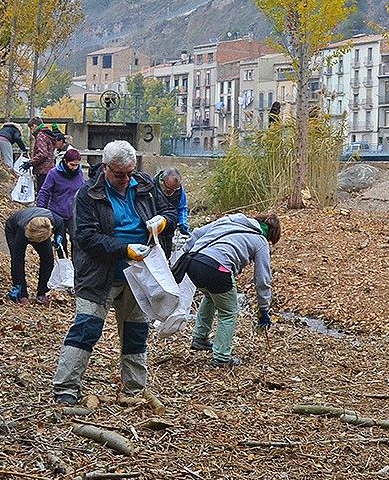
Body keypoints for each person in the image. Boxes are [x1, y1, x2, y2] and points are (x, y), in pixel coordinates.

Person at [52, 140, 176, 405]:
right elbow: (85, 237)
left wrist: (164, 222)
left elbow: (169, 211)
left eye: (130, 172)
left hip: (140, 275)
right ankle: (66, 388)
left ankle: (134, 388)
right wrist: (124, 250)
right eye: (120, 174)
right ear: (106, 168)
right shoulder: (88, 194)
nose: (126, 179)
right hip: (99, 274)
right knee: (86, 328)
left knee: (135, 331)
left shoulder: (144, 186)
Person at [182, 212, 278, 367]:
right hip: (216, 267)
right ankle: (221, 357)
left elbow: (197, 233)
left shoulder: (229, 220)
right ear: (271, 233)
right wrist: (264, 310)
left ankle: (200, 338)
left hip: (192, 263)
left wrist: (184, 253)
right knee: (229, 312)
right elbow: (262, 280)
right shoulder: (261, 241)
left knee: (210, 296)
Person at [4, 207, 66, 306]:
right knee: (17, 257)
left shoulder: (55, 221)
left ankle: (43, 292)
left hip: (39, 230)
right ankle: (22, 293)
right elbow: (18, 261)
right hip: (15, 229)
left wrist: (59, 236)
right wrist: (18, 285)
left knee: (48, 259)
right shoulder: (21, 228)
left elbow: (61, 225)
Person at [37, 148, 85, 241]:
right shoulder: (53, 173)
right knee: (60, 240)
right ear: (65, 161)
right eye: (72, 165)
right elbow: (44, 192)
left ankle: (74, 256)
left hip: (73, 213)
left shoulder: (79, 173)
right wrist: (41, 210)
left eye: (76, 165)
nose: (74, 168)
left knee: (76, 239)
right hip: (57, 212)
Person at [153, 167, 190, 256]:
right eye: (170, 189)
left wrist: (183, 222)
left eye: (175, 189)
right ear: (162, 181)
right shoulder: (151, 187)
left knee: (166, 254)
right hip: (154, 228)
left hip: (169, 228)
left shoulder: (179, 190)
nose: (173, 192)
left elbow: (182, 208)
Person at [25, 119, 58, 192]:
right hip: (50, 168)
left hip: (42, 170)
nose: (32, 130)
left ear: (34, 125)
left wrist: (31, 162)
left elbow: (42, 154)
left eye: (31, 128)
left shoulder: (40, 135)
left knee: (42, 192)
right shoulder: (48, 134)